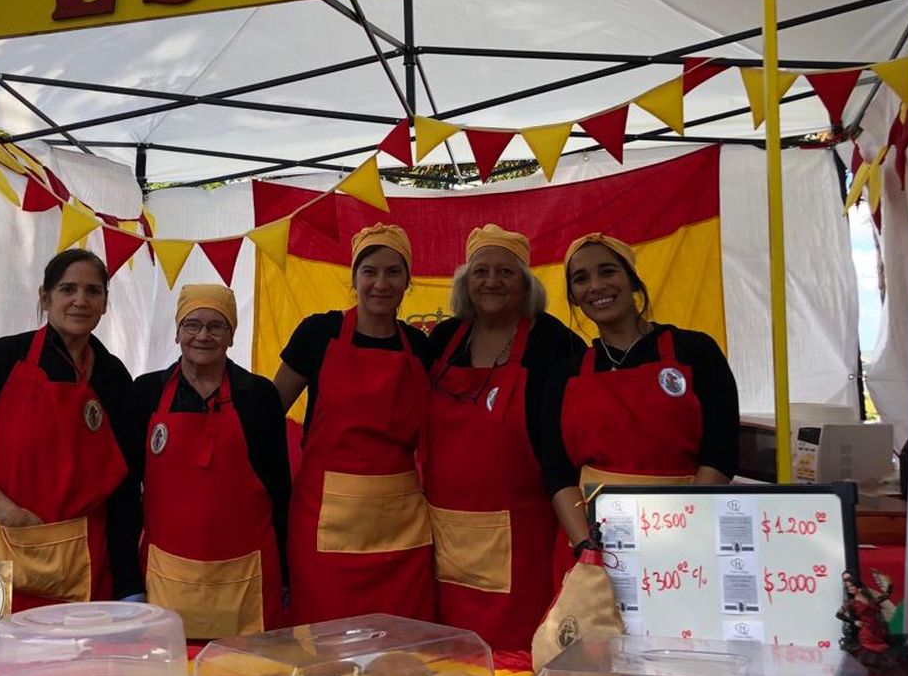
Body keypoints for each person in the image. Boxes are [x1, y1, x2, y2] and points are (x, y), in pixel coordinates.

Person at [0, 248, 142, 611]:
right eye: (68, 289)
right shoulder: (1, 359)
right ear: (45, 298)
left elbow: (124, 489)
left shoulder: (115, 379)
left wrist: (130, 582)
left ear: (106, 303)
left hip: (83, 558)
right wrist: (6, 511)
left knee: (76, 664)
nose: (80, 300)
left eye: (93, 291)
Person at [422, 224, 586, 650]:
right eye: (480, 272)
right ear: (465, 283)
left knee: (518, 648)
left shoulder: (556, 343)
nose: (491, 282)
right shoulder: (443, 340)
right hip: (445, 531)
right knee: (454, 651)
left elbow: (567, 439)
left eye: (505, 272)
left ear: (526, 283)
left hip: (524, 533)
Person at [537, 232, 739, 563]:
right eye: (581, 279)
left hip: (686, 538)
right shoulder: (565, 374)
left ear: (632, 280)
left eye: (608, 271)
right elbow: (556, 471)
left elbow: (722, 451)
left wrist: (684, 526)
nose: (596, 286)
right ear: (573, 297)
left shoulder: (695, 351)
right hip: (592, 544)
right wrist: (585, 546)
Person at [274, 223, 435, 624]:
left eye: (393, 272)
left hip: (401, 529)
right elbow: (269, 409)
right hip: (324, 521)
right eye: (370, 272)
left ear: (407, 281)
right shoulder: (319, 332)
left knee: (400, 641)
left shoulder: (421, 347)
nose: (381, 283)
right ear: (354, 278)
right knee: (325, 637)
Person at [127, 284, 290, 638]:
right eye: (192, 325)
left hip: (247, 581)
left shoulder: (258, 397)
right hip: (167, 577)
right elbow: (127, 490)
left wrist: (288, 578)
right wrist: (128, 581)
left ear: (231, 336)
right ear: (177, 332)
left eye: (217, 326)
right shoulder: (146, 392)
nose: (203, 335)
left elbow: (280, 491)